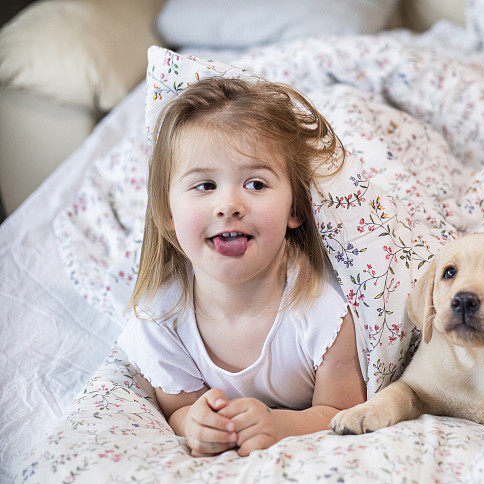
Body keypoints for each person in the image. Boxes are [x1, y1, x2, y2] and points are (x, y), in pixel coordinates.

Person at [119, 76, 366, 458]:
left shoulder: (324, 311)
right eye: (204, 186)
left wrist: (281, 425)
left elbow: (343, 412)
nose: (228, 205)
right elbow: (180, 409)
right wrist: (196, 424)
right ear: (168, 213)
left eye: (255, 184)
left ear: (295, 210)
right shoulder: (160, 317)